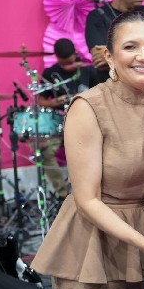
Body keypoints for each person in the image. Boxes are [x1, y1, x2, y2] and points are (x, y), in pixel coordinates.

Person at [31, 12, 144, 289]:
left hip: (136, 252)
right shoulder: (88, 106)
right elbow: (88, 200)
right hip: (91, 249)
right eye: (131, 46)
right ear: (109, 56)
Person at [36, 38, 95, 200]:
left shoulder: (87, 70)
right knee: (45, 152)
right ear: (56, 58)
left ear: (75, 54)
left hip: (85, 123)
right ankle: (63, 195)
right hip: (59, 122)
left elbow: (101, 95)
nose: (68, 66)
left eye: (70, 62)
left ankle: (87, 193)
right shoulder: (50, 73)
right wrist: (54, 102)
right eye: (64, 64)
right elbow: (41, 100)